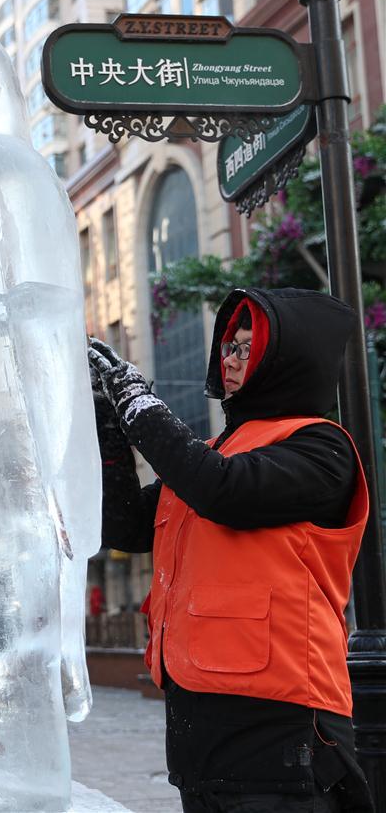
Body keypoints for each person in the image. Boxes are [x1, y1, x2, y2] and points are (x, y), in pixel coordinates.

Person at [88, 287, 374, 813]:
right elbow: (124, 525)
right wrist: (107, 417)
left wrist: (137, 400)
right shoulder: (213, 457)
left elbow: (224, 492)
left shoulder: (321, 446)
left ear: (287, 360)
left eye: (248, 346)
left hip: (282, 732)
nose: (231, 357)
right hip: (199, 735)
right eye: (229, 345)